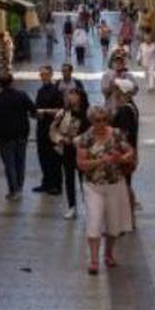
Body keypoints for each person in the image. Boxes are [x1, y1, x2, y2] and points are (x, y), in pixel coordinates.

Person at [76, 106, 136, 275]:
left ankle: (108, 253)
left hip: (115, 185)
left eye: (104, 119)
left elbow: (131, 151)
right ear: (91, 121)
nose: (101, 123)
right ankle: (94, 260)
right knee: (94, 221)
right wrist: (100, 161)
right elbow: (81, 164)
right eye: (97, 120)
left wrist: (121, 158)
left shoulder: (116, 134)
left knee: (114, 224)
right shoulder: (85, 138)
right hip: (93, 186)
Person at [0, 73, 36, 201]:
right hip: (21, 134)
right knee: (20, 162)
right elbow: (33, 110)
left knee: (9, 164)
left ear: (0, 84)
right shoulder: (21, 96)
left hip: (3, 137)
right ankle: (18, 187)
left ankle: (14, 189)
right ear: (12, 82)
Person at [50, 88, 89, 220]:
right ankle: (72, 207)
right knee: (69, 179)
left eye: (73, 94)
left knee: (84, 180)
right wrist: (61, 139)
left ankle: (88, 206)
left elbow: (91, 133)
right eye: (69, 95)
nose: (70, 97)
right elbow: (54, 130)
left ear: (80, 97)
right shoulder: (64, 113)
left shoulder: (87, 114)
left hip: (83, 152)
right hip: (67, 151)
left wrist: (79, 140)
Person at [111, 78, 141, 222]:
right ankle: (130, 216)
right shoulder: (131, 107)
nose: (114, 93)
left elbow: (123, 134)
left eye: (117, 90)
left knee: (123, 185)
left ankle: (128, 217)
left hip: (123, 154)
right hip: (129, 152)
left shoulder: (124, 110)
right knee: (126, 184)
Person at [33, 66, 64, 196]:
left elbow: (61, 110)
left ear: (51, 75)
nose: (43, 77)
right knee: (43, 156)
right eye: (41, 75)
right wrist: (35, 113)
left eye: (45, 74)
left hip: (53, 128)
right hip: (41, 128)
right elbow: (36, 108)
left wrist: (45, 111)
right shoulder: (40, 91)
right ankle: (46, 182)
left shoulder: (56, 91)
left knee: (54, 157)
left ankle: (56, 184)